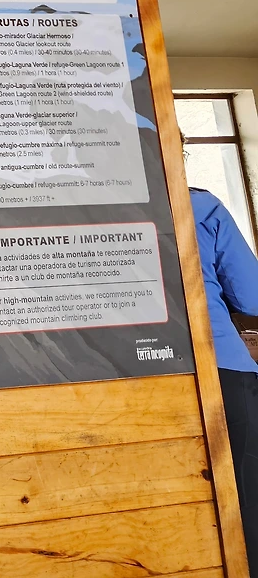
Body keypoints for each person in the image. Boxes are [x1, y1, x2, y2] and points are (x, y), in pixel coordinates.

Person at [191, 186, 258, 573]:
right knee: (248, 494)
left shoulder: (79, 205)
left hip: (130, 375)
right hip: (223, 367)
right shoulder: (201, 205)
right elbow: (251, 296)